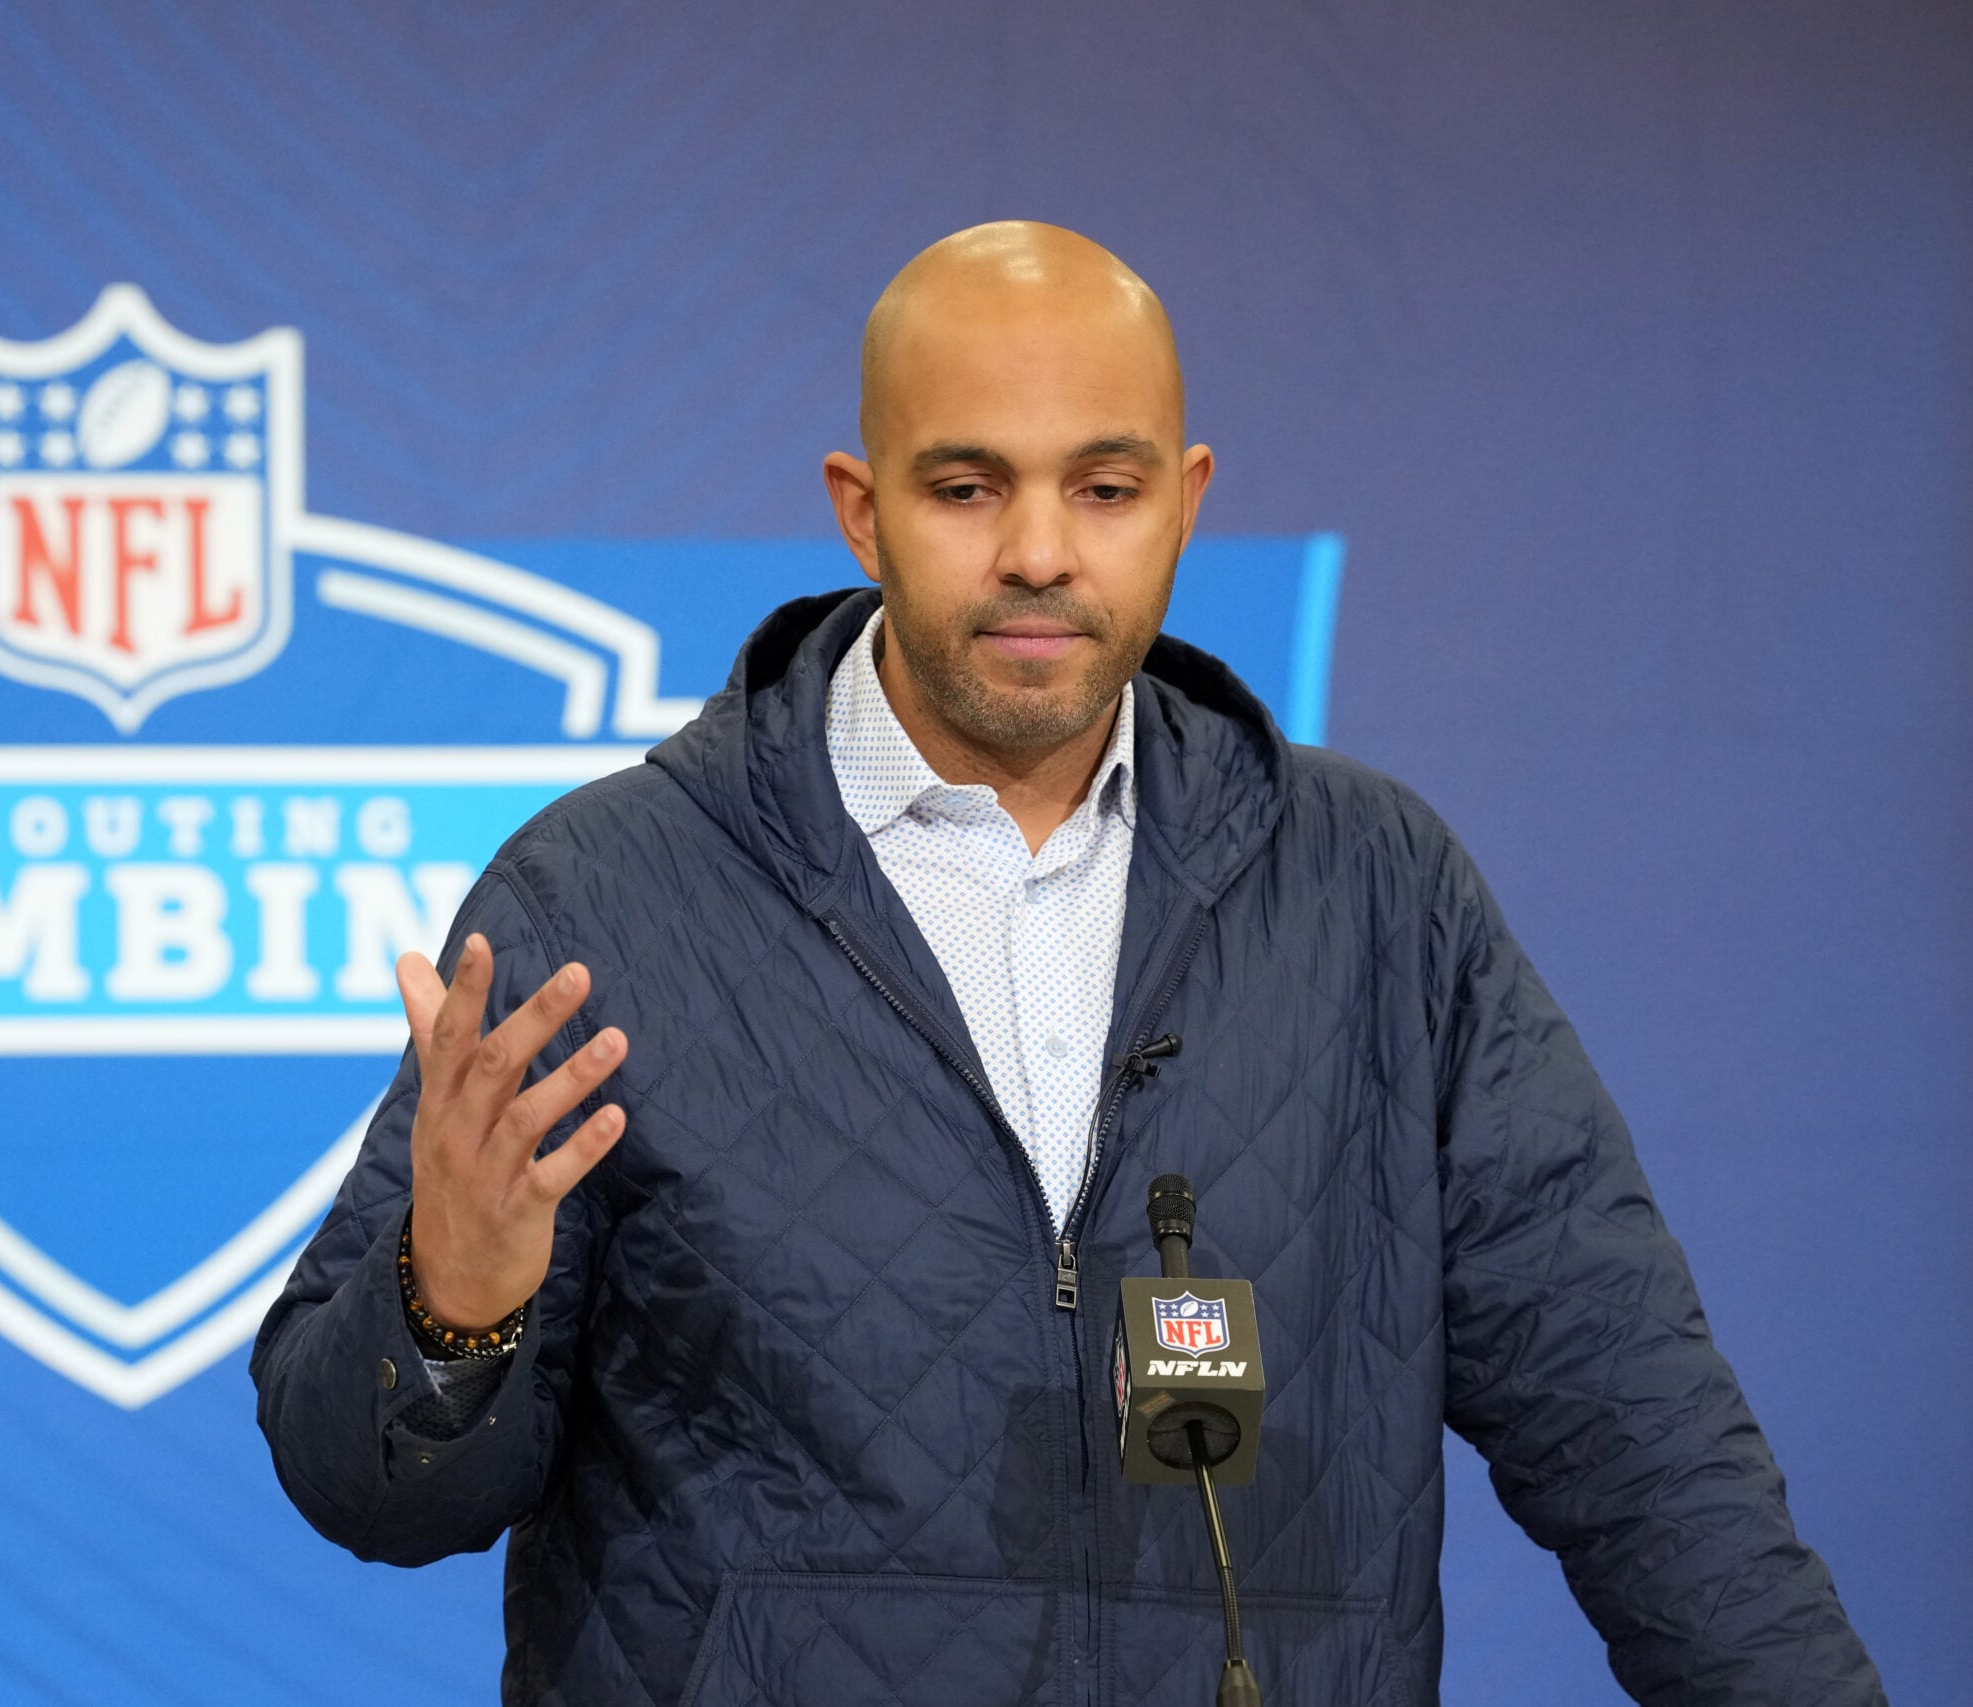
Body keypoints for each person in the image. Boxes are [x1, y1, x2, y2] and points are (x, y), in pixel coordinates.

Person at [251, 222, 1882, 1706]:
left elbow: (1642, 1440)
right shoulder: (606, 895)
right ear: (861, 506)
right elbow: (366, 1493)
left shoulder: (1377, 894)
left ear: (1186, 495)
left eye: (1103, 489)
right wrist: (450, 1309)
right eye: (968, 489)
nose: (1038, 551)